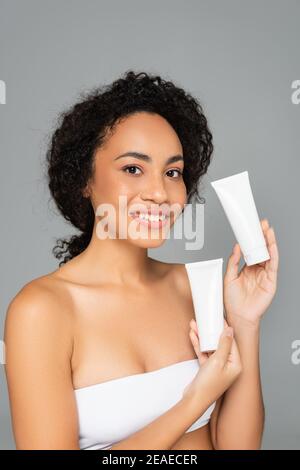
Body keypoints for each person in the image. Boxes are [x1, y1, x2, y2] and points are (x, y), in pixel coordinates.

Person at [4, 70, 279, 450]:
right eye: (133, 168)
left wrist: (246, 323)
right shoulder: (42, 310)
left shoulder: (192, 287)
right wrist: (194, 401)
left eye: (172, 172)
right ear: (84, 179)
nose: (158, 192)